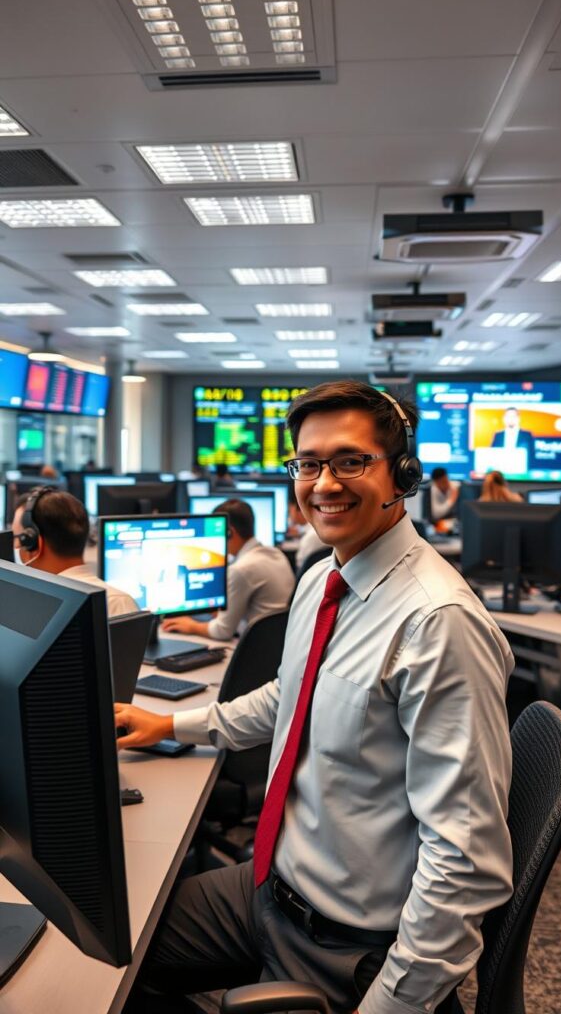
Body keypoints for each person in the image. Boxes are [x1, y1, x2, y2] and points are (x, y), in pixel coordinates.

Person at [116, 381, 514, 1014]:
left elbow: (465, 862)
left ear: (400, 474)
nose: (324, 482)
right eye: (309, 463)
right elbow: (290, 700)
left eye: (351, 460)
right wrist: (171, 722)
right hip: (271, 885)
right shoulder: (322, 577)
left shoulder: (436, 622)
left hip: (348, 941)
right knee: (112, 951)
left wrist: (392, 1004)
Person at [161, 498, 294, 641]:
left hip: (256, 645)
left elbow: (222, 631)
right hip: (277, 641)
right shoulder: (276, 554)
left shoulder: (241, 570)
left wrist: (191, 625)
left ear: (229, 532)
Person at [12, 487, 138, 618]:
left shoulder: (21, 607)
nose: (13, 545)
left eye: (16, 537)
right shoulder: (115, 603)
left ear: (34, 543)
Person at [288, 497, 328, 570]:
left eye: (289, 511)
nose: (289, 516)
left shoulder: (310, 538)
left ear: (300, 509)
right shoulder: (313, 531)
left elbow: (300, 566)